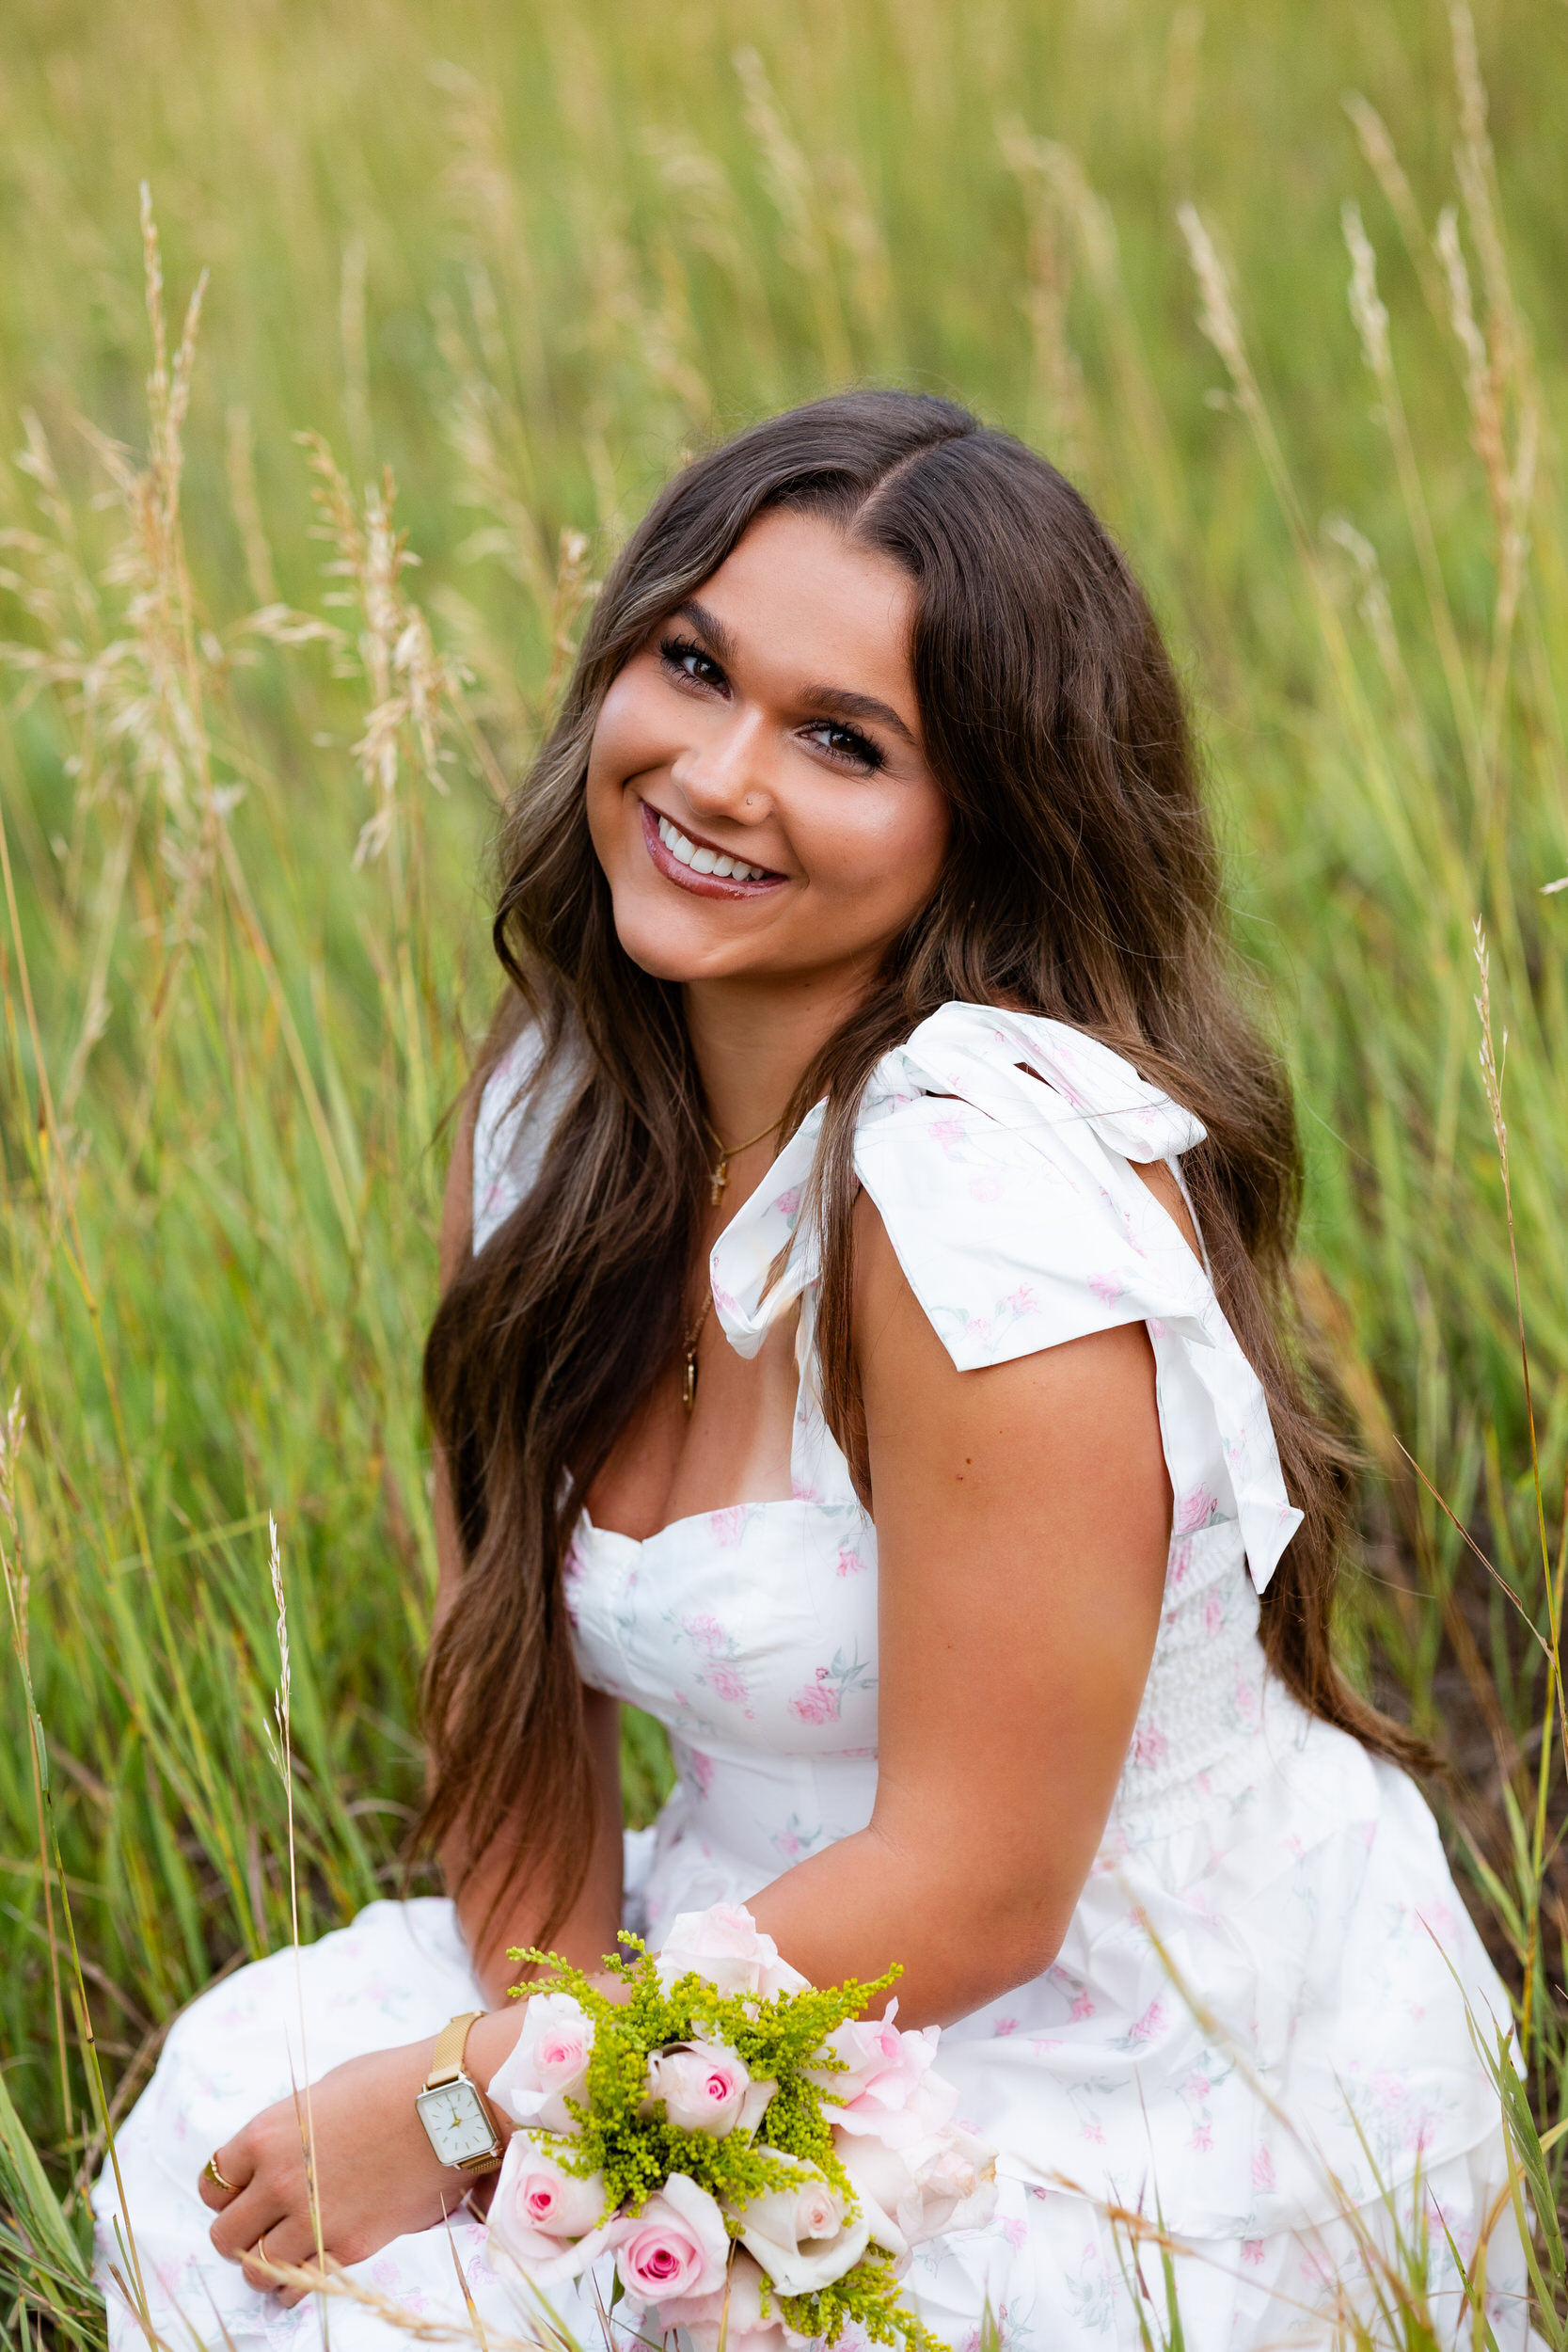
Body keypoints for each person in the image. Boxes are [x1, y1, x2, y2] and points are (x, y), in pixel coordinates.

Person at [94, 391, 1530, 2350]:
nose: (715, 771)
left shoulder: (980, 1190)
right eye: (693, 664)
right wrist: (534, 2091)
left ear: (988, 824)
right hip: (724, 1964)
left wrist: (467, 2105)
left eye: (842, 741)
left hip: (1107, 2048)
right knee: (231, 2171)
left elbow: (984, 1884)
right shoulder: (556, 1108)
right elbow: (518, 1676)